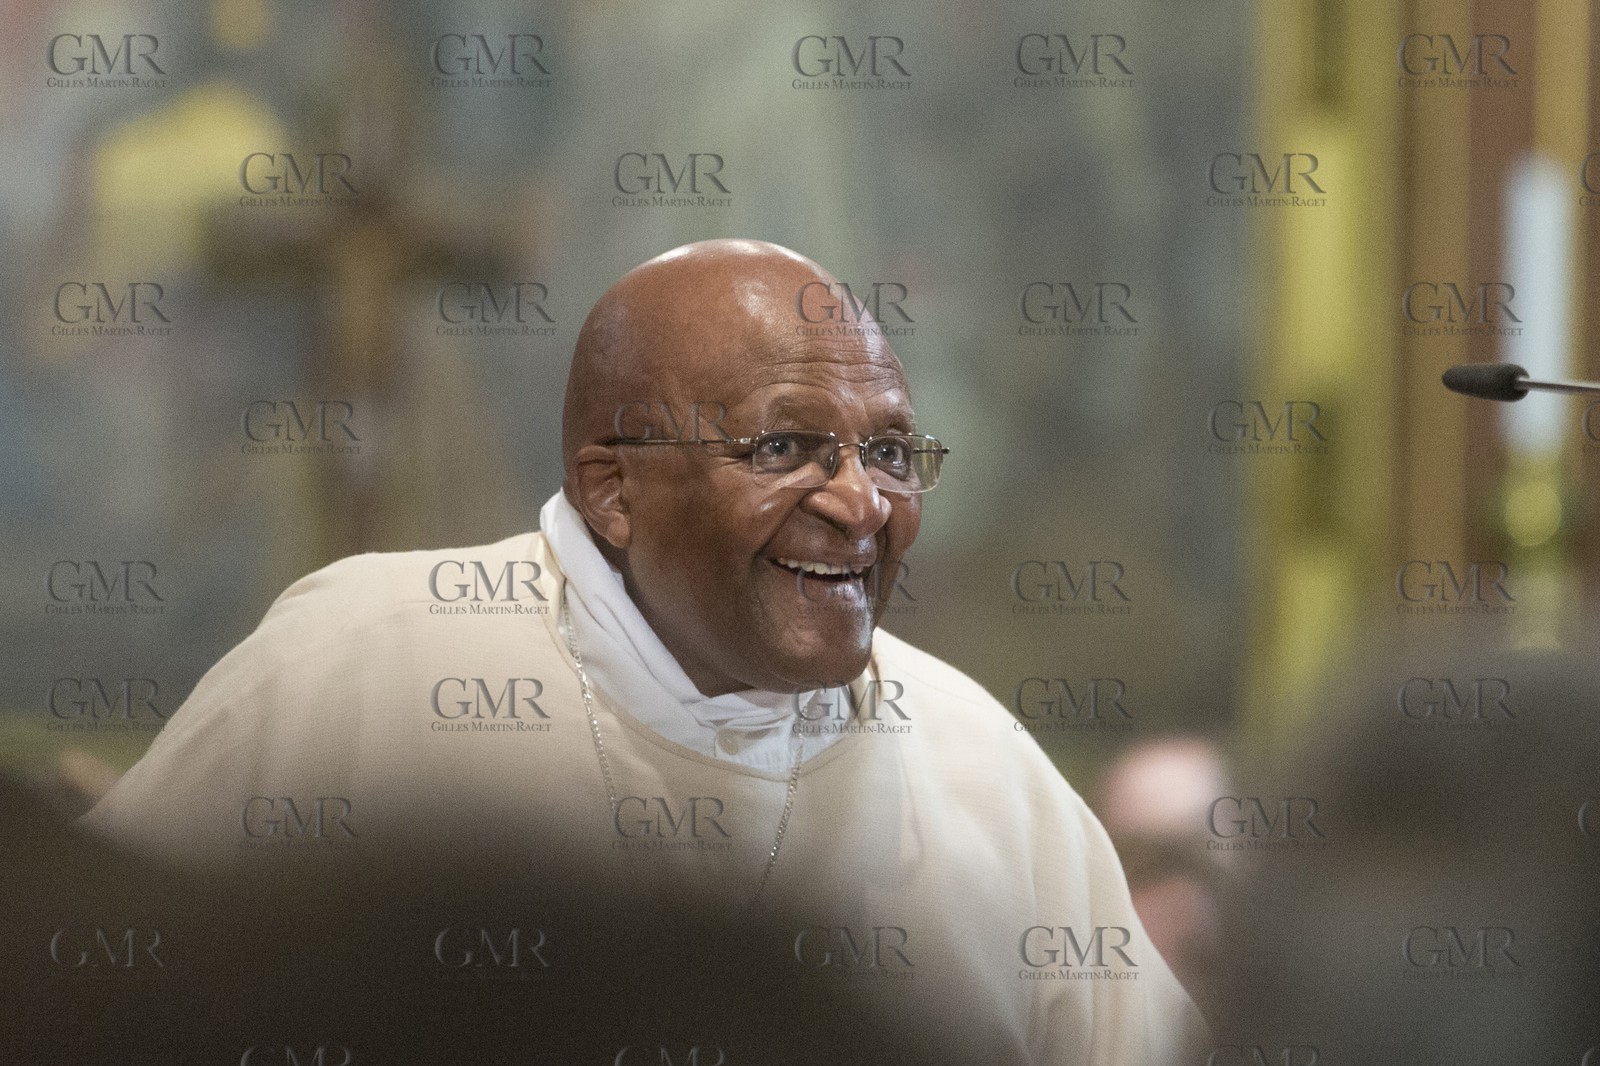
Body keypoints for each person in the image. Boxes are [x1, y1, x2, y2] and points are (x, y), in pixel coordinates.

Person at [81, 239, 1203, 1063]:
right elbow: (77, 999)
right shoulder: (356, 665)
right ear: (613, 488)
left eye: (895, 452)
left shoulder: (981, 766)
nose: (865, 504)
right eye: (788, 446)